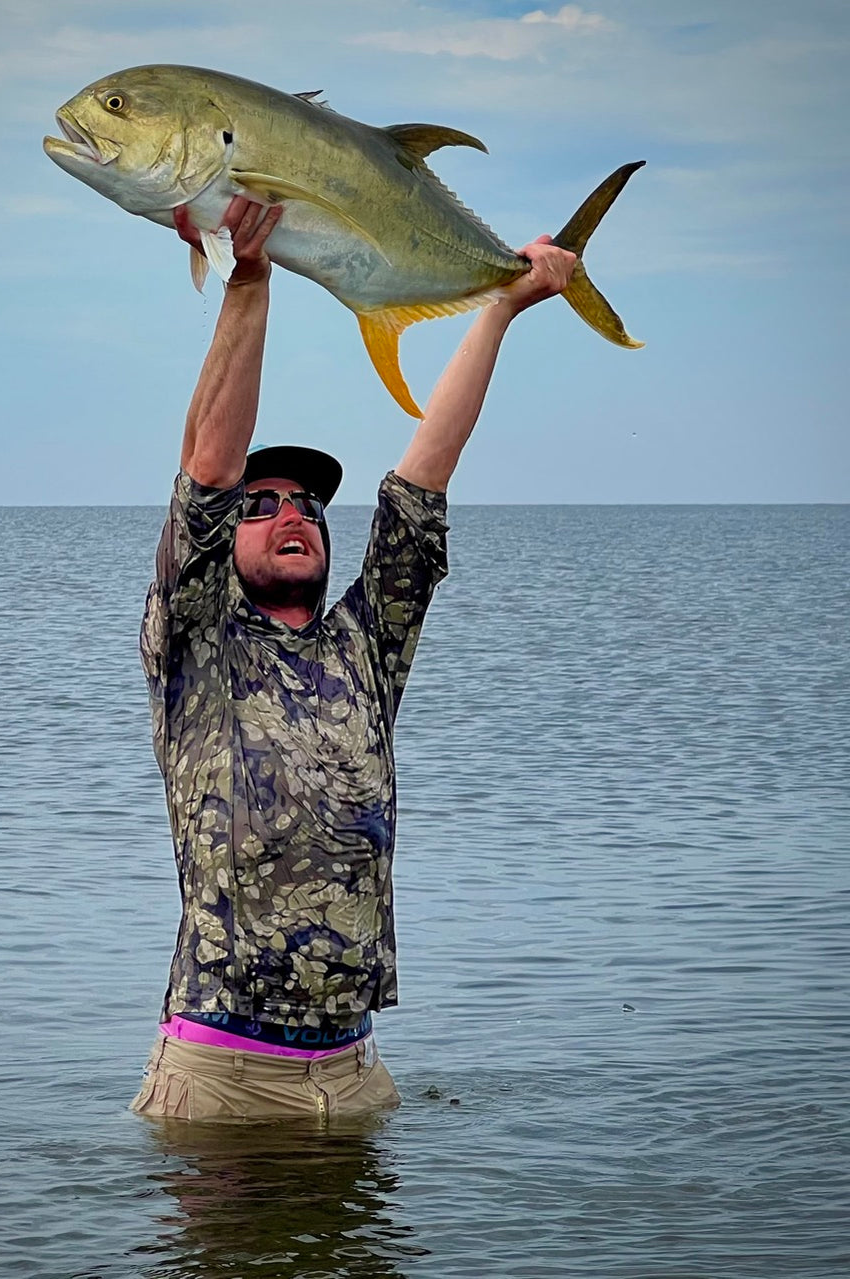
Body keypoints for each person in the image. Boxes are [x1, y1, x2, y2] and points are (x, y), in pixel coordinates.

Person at [133, 196, 575, 1123]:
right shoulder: (194, 644)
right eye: (265, 506)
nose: (290, 512)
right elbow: (207, 474)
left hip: (357, 1078)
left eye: (305, 503)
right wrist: (250, 281)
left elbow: (422, 478)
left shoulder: (363, 649)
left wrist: (502, 307)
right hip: (221, 1083)